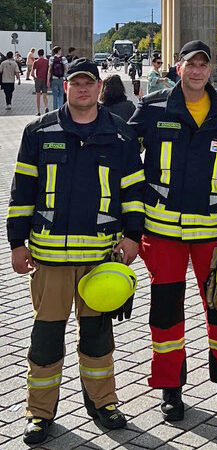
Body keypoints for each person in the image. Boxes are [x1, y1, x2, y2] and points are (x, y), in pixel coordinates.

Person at [7, 57, 145, 445]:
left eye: (89, 83)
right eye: (76, 83)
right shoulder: (39, 131)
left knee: (98, 337)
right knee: (46, 339)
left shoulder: (120, 135)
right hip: (49, 259)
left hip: (101, 259)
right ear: (65, 86)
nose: (83, 89)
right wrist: (17, 243)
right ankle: (39, 413)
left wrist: (133, 236)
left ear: (100, 88)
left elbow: (133, 191)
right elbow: (22, 193)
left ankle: (103, 403)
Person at [129, 40, 217, 422]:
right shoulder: (151, 108)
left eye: (204, 64)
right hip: (162, 231)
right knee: (166, 312)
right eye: (191, 64)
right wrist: (140, 196)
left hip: (212, 231)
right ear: (178, 68)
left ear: (211, 69)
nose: (198, 71)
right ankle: (170, 388)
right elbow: (124, 157)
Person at [48, 46, 68, 110]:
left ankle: (55, 109)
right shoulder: (63, 58)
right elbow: (66, 68)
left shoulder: (51, 58)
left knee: (55, 95)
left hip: (54, 78)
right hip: (61, 78)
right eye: (60, 50)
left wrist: (48, 79)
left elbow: (50, 69)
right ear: (59, 51)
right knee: (61, 94)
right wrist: (66, 77)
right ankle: (60, 109)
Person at [32, 49, 49, 116]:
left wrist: (35, 78)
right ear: (43, 53)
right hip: (45, 79)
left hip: (38, 80)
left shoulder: (36, 62)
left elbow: (32, 73)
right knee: (44, 95)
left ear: (38, 54)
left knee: (38, 96)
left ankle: (38, 111)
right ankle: (46, 107)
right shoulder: (47, 61)